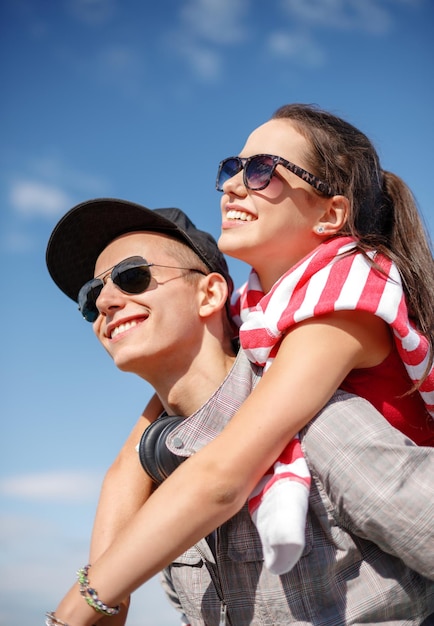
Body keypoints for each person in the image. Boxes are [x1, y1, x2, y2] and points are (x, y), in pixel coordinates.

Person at [44, 197, 434, 626]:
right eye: (91, 295)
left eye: (132, 277)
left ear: (210, 293)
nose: (105, 303)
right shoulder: (158, 486)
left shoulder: (319, 426)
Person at [216, 102, 434, 575]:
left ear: (330, 214)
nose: (232, 185)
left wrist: (94, 594)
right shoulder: (251, 310)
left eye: (261, 170)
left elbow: (222, 476)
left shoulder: (348, 297)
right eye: (232, 168)